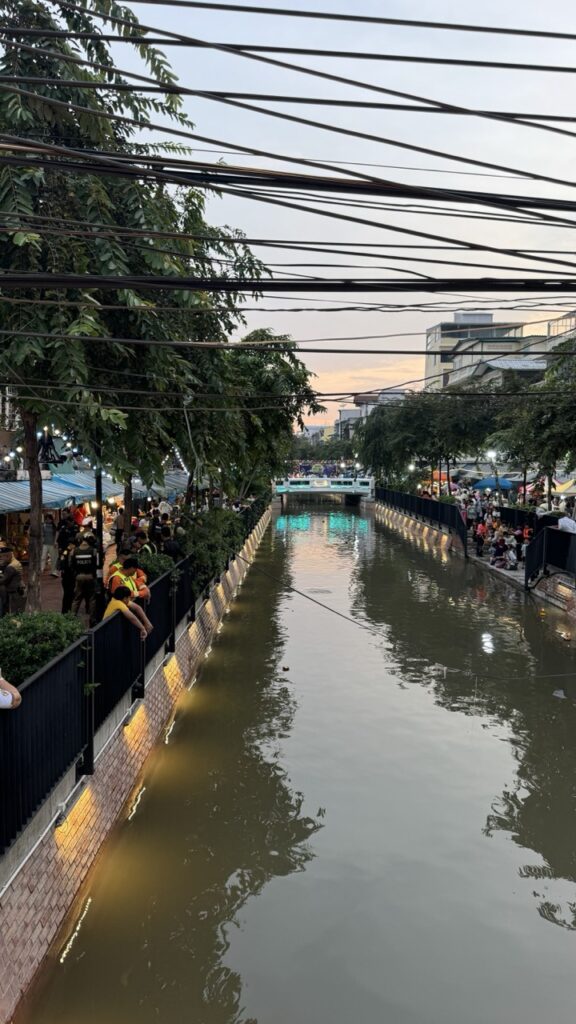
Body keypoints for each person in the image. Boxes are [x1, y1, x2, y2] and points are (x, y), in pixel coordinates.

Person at [71, 534, 98, 624]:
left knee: (77, 598)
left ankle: (72, 618)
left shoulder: (74, 551)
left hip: (79, 576)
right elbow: (96, 565)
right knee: (92, 598)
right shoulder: (93, 551)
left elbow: (71, 565)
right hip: (90, 576)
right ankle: (92, 619)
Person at [0, 547, 25, 617]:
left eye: (2, 557)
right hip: (15, 590)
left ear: (7, 556)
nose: (1, 559)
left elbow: (3, 580)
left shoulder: (11, 566)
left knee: (11, 611)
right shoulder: (14, 562)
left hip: (12, 591)